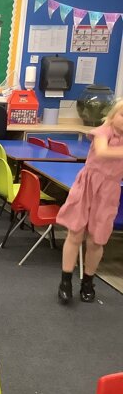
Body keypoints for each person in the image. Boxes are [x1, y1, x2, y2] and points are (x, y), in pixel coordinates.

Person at [56, 100, 123, 304]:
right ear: (112, 115)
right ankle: (65, 281)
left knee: (97, 239)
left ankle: (88, 282)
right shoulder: (103, 131)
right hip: (87, 186)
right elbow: (102, 152)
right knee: (75, 233)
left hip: (109, 190)